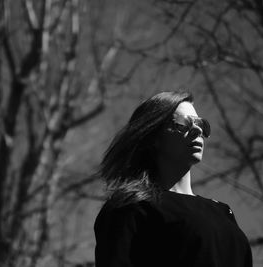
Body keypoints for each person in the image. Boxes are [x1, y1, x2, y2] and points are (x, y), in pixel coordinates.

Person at [94, 91, 252, 267]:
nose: (197, 130)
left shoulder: (222, 211)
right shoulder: (130, 207)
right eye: (183, 124)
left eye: (201, 124)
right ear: (153, 137)